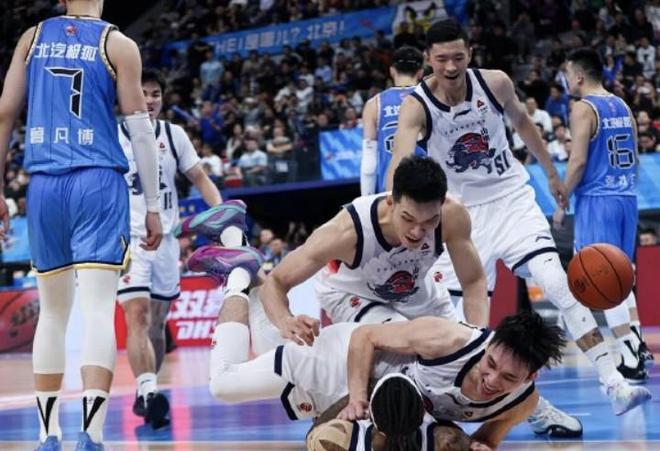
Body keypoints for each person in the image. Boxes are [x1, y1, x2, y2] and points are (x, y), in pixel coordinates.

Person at [386, 18, 650, 433]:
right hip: (461, 217)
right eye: (442, 59)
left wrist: (551, 174)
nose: (451, 66)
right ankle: (498, 409)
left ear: (470, 54)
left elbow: (524, 125)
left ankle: (615, 382)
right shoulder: (416, 105)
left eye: (458, 57)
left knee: (559, 284)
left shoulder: (494, 83)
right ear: (428, 60)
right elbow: (399, 162)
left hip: (512, 201)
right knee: (462, 328)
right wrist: (390, 212)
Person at [0, 1, 163, 449]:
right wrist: (152, 204)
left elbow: (4, 113)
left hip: (43, 185)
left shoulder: (32, 38)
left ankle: (46, 434)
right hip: (97, 181)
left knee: (52, 314)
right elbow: (141, 129)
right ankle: (90, 435)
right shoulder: (117, 44)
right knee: (96, 311)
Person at [115, 68, 224, 428]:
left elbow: (200, 178)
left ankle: (147, 391)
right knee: (138, 315)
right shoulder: (112, 136)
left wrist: (223, 215)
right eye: (143, 92)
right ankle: (148, 391)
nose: (149, 100)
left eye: (156, 94)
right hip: (128, 240)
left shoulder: (174, 135)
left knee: (158, 324)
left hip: (166, 241)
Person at [553, 48, 654, 369]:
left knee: (604, 277)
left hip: (598, 200)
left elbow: (578, 161)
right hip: (626, 198)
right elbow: (635, 155)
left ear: (578, 76)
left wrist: (562, 200)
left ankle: (628, 354)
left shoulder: (583, 108)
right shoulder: (622, 105)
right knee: (621, 275)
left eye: (567, 74)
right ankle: (637, 344)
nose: (566, 80)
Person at [360, 46, 424, 196]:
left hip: (392, 191)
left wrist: (366, 200)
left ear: (392, 71)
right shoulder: (431, 98)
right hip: (430, 188)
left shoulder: (374, 104)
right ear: (421, 72)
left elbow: (369, 162)